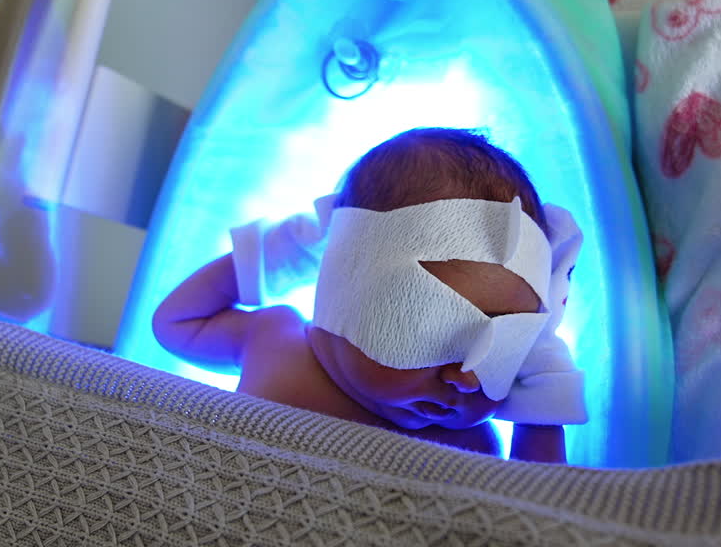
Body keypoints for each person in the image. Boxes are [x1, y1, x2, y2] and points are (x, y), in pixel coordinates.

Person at [152, 128, 585, 462]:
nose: (467, 377)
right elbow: (174, 324)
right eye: (434, 326)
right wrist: (291, 251)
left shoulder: (470, 440)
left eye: (505, 349)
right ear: (346, 279)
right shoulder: (274, 339)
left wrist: (540, 391)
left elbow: (539, 506)